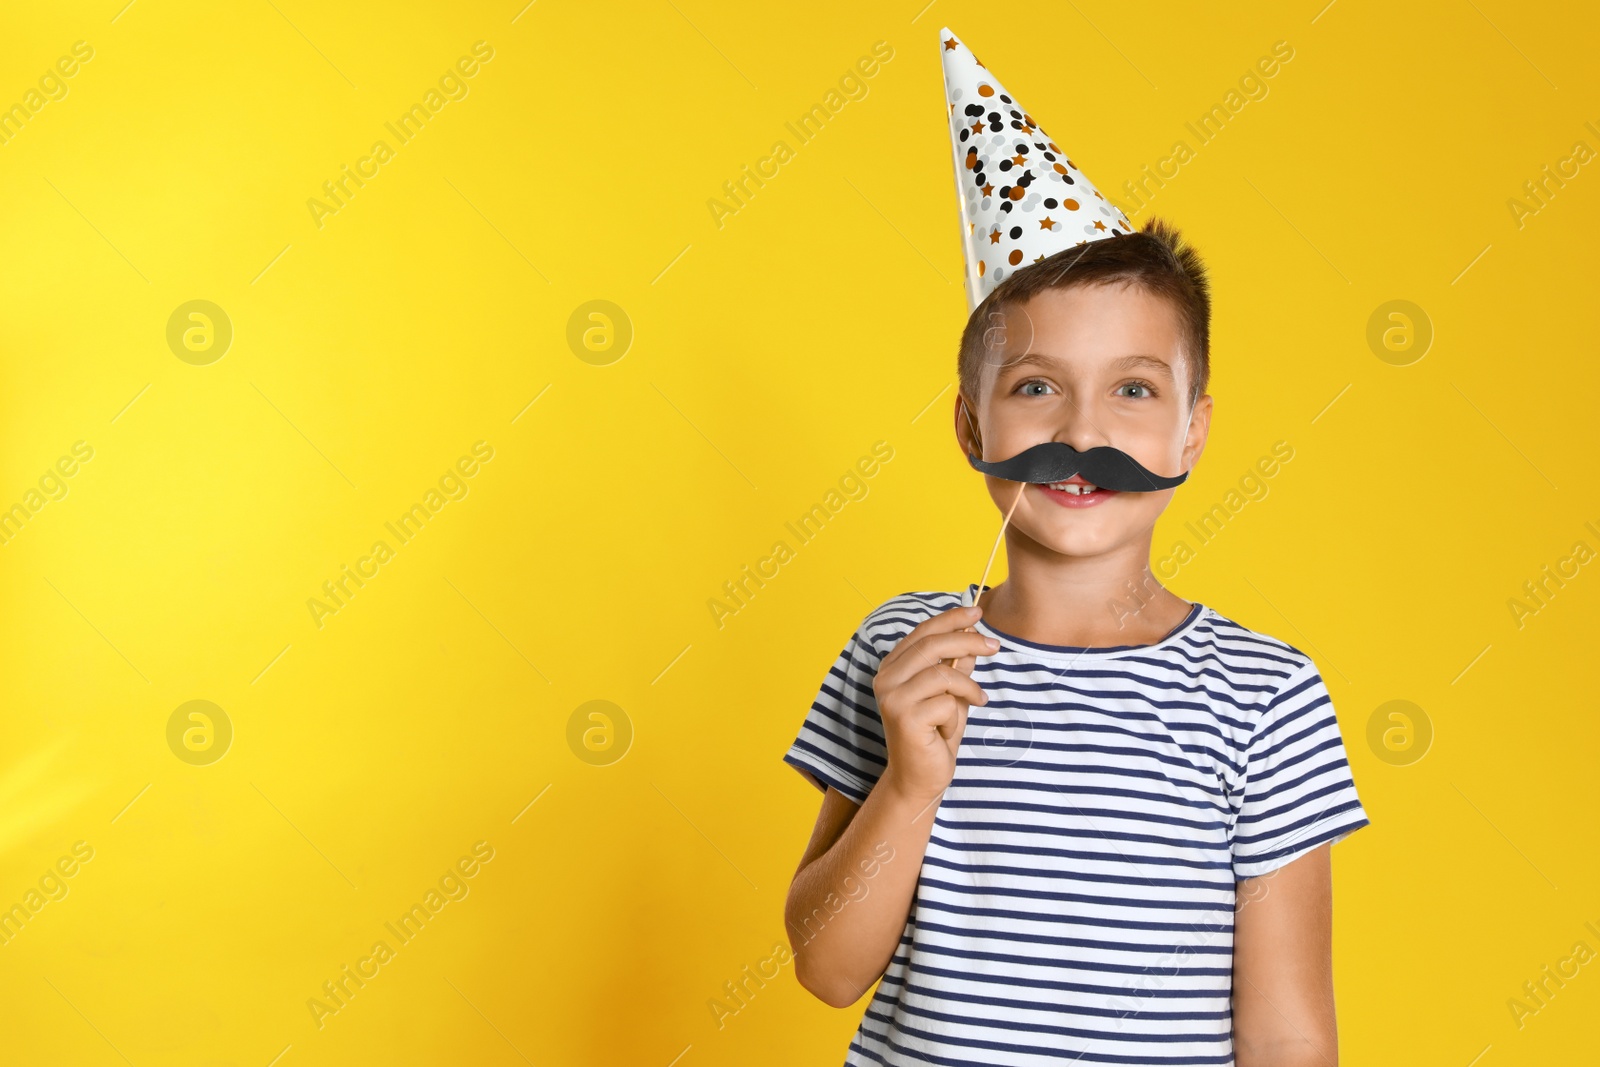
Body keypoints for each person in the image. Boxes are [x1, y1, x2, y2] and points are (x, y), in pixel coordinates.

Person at [779, 30, 1370, 1066]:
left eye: (1133, 389)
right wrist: (910, 781)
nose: (1084, 434)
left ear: (1191, 431)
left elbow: (1285, 1030)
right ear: (972, 426)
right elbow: (826, 969)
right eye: (1037, 387)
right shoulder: (900, 649)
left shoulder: (1263, 697)